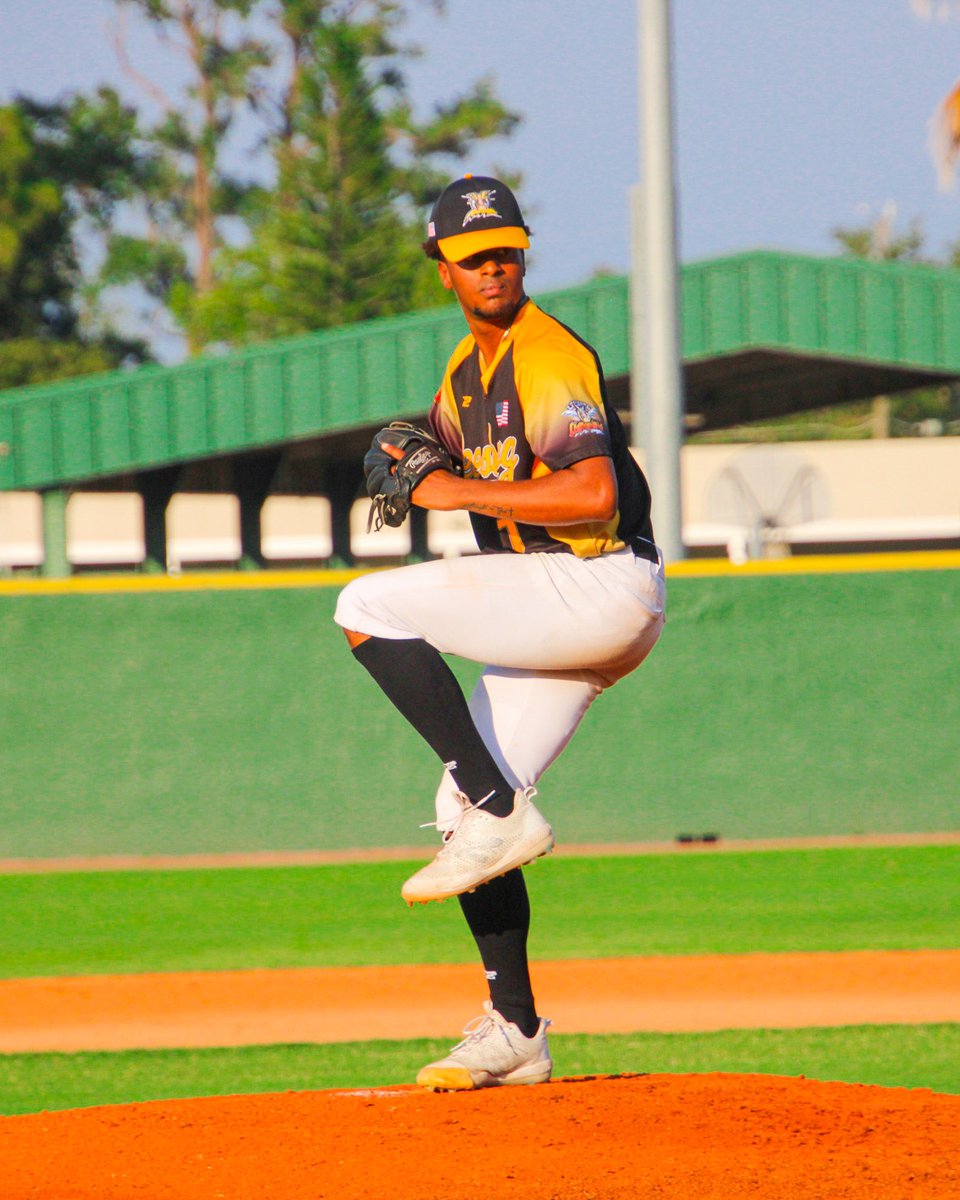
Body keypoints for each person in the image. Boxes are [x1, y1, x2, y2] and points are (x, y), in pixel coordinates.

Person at [334, 174, 665, 1092]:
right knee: (457, 814)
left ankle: (502, 810)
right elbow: (426, 455)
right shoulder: (463, 375)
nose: (495, 265)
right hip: (563, 610)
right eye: (475, 255)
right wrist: (417, 458)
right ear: (442, 267)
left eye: (508, 250)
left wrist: (454, 489)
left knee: (367, 606)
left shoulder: (547, 353)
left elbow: (593, 492)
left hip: (599, 580)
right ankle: (516, 1031)